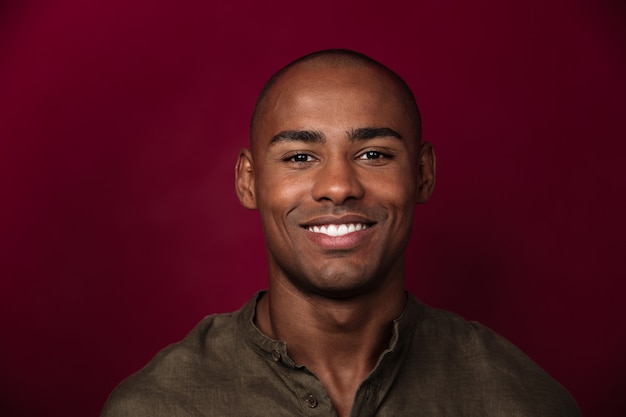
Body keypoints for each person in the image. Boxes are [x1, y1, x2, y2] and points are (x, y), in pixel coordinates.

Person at [102, 49, 580, 417]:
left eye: (373, 154)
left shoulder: (519, 400)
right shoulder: (160, 406)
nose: (338, 187)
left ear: (423, 174)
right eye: (299, 157)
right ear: (248, 181)